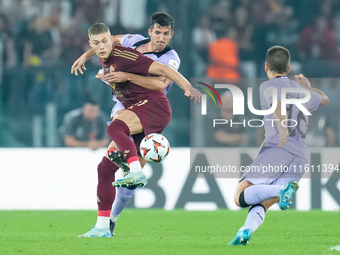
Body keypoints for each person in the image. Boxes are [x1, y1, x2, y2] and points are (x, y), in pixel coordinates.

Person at [73, 22, 199, 238]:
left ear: (110, 39)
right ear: (91, 44)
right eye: (97, 43)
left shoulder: (126, 56)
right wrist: (86, 57)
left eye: (105, 41)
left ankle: (135, 170)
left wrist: (187, 86)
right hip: (136, 109)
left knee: (116, 127)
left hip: (154, 107)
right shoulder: (107, 57)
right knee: (104, 169)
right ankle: (103, 227)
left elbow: (162, 72)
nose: (102, 46)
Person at [229, 46, 329, 245]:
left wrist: (282, 127)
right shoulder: (301, 90)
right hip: (301, 156)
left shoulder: (266, 85)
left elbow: (277, 102)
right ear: (289, 68)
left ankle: (281, 190)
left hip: (278, 148)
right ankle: (245, 231)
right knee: (262, 204)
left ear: (266, 66)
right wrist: (308, 87)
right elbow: (324, 99)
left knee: (239, 196)